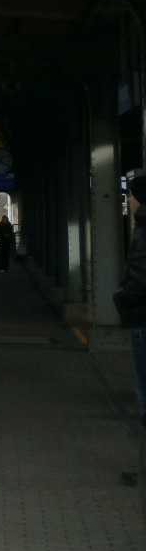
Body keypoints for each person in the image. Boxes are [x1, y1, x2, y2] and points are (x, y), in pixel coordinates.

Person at [114, 174, 146, 429]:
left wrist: (121, 297)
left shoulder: (143, 228)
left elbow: (140, 276)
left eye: (131, 195)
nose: (129, 200)